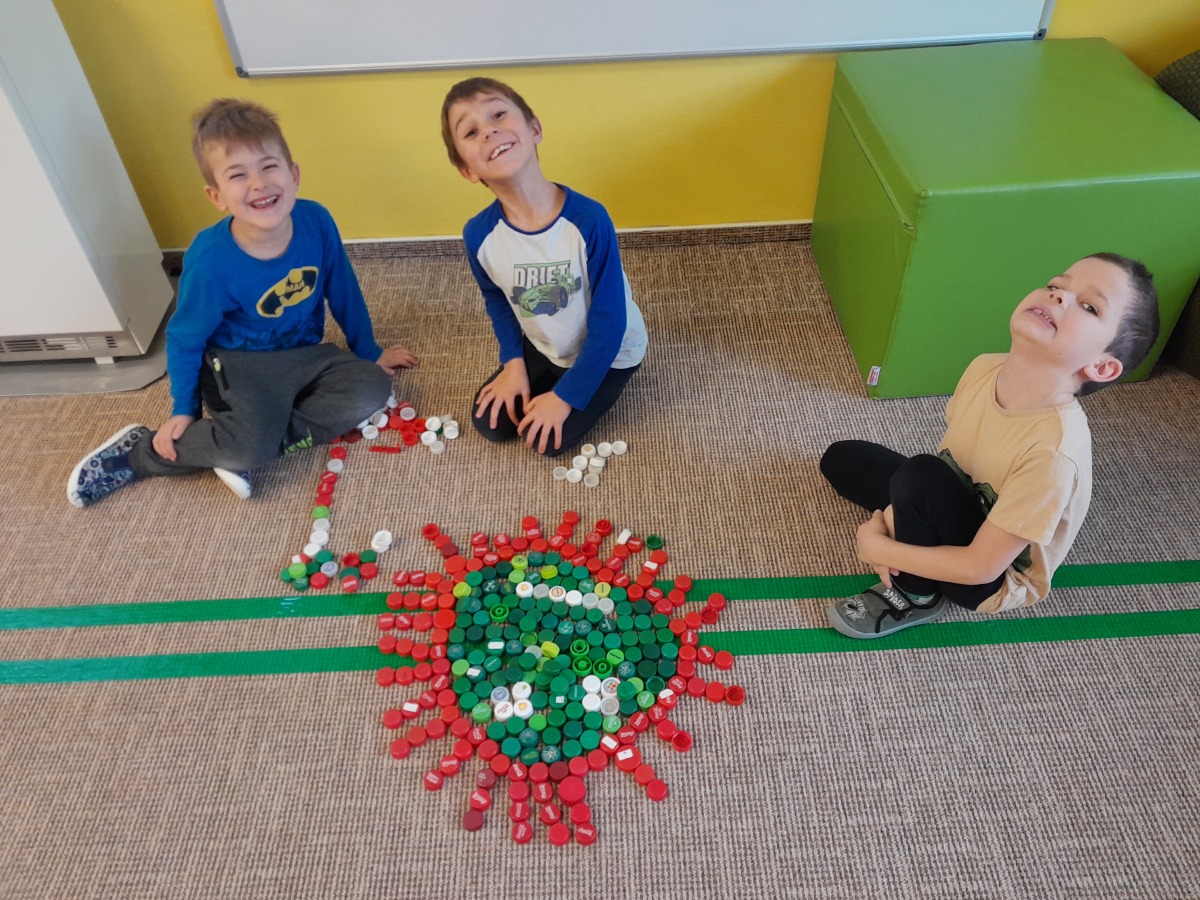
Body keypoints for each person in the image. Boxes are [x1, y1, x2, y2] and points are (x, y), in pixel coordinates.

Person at [67, 98, 416, 508]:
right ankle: (138, 453)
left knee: (370, 388)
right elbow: (184, 339)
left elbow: (343, 287)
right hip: (235, 370)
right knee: (249, 447)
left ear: (294, 175)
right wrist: (185, 410)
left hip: (302, 357)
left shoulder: (316, 221)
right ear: (217, 196)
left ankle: (241, 441)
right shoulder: (210, 262)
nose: (258, 183)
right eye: (238, 175)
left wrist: (369, 350)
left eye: (269, 167)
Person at [823, 253, 1159, 638]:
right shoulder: (984, 368)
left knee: (919, 475)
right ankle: (915, 527)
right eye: (1056, 285)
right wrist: (893, 517)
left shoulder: (1053, 453)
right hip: (965, 498)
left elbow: (979, 568)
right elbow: (953, 463)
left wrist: (879, 548)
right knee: (843, 459)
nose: (1059, 296)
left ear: (1101, 366)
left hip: (990, 578)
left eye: (1089, 306)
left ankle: (917, 594)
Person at [440, 77, 647, 456]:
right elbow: (498, 303)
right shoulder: (478, 235)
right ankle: (547, 375)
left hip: (612, 350)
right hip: (547, 345)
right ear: (467, 170)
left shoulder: (589, 219)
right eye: (471, 131)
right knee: (490, 423)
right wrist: (513, 363)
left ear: (534, 128)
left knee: (548, 442)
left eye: (498, 115)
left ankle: (581, 384)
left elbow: (610, 321)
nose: (489, 131)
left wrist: (565, 397)